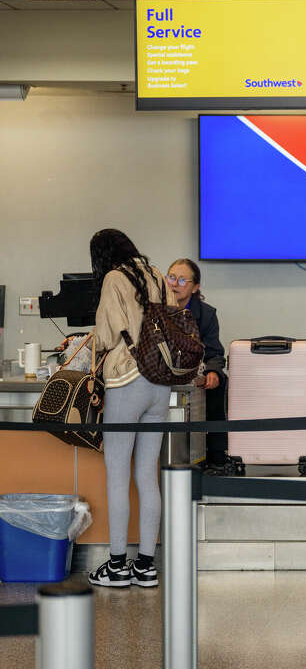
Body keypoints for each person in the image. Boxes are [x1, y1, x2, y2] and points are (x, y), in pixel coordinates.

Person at [87, 229, 175, 589]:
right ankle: (146, 566)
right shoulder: (155, 274)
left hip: (126, 381)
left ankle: (118, 565)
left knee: (118, 476)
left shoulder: (114, 277)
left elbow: (108, 335)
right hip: (159, 383)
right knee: (147, 476)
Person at [166, 258, 228, 471]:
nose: (174, 284)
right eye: (171, 277)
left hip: (194, 370)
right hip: (162, 370)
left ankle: (217, 455)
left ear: (195, 287)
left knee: (218, 381)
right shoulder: (155, 309)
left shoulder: (207, 314)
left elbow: (215, 352)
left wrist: (213, 370)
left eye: (182, 280)